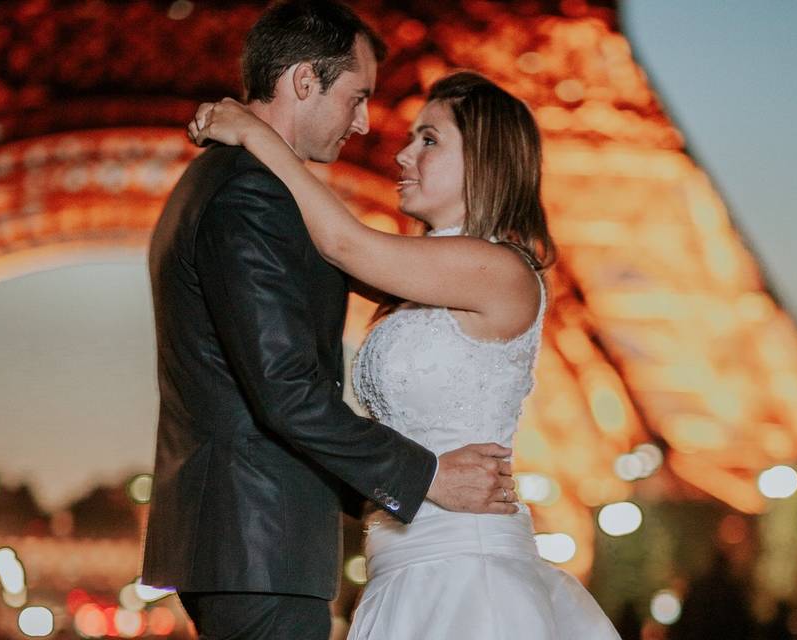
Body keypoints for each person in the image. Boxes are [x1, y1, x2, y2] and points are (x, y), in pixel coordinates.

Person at [190, 68, 622, 638]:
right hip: (399, 572)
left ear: (486, 160)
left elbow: (343, 243)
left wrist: (256, 133)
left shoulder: (502, 270)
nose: (400, 154)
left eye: (429, 140)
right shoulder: (417, 282)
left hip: (468, 576)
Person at [140, 2, 516, 639]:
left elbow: (358, 255)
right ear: (304, 81)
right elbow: (285, 389)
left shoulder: (232, 181)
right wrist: (428, 476)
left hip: (252, 539)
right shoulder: (251, 192)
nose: (369, 125)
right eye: (358, 96)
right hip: (260, 542)